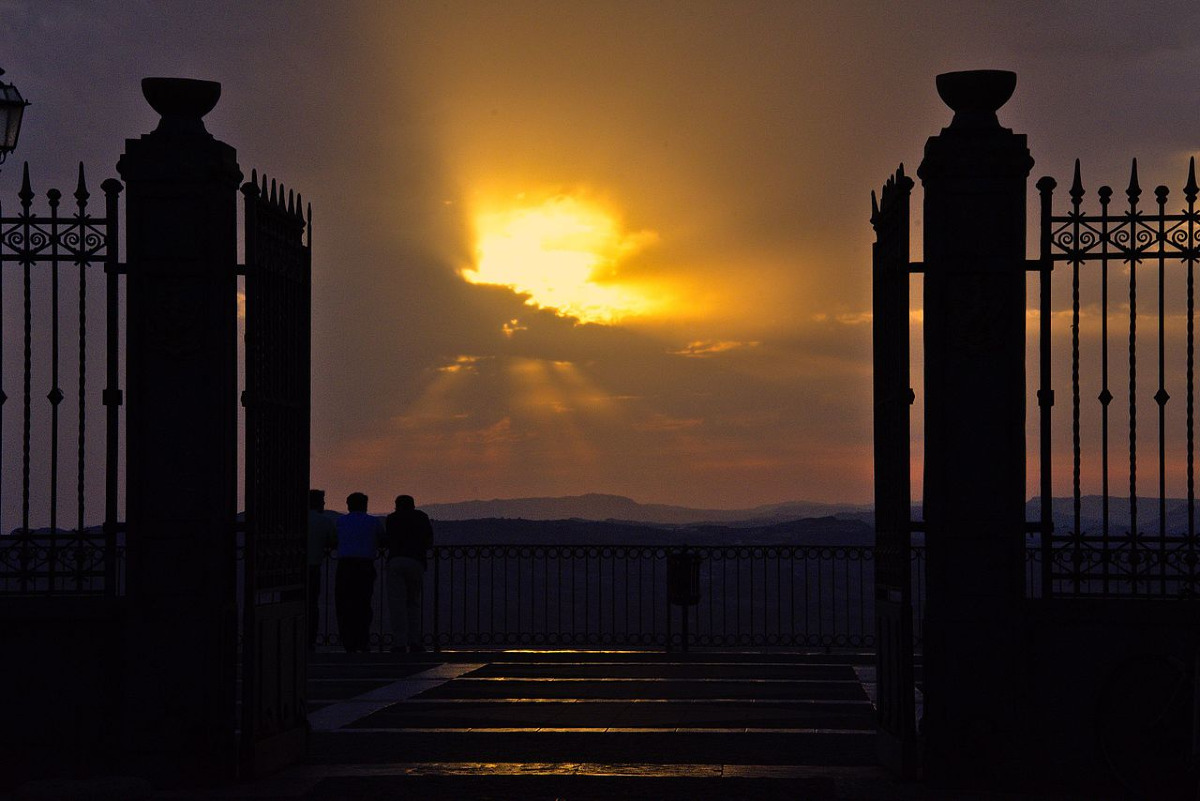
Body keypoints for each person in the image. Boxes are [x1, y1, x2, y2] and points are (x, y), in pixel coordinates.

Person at [334, 492, 384, 653]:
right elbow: (383, 539)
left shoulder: (340, 521)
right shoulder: (373, 522)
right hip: (365, 566)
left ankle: (348, 641)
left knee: (345, 604)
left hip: (345, 565)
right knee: (363, 604)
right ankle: (363, 640)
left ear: (349, 505)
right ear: (365, 505)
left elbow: (334, 539)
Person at [384, 494, 434, 654]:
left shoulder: (392, 519)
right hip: (416, 561)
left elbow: (388, 539)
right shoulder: (421, 517)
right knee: (413, 603)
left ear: (397, 505)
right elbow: (429, 540)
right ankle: (415, 642)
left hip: (396, 560)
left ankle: (399, 642)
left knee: (397, 604)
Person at [307, 489, 338, 650]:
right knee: (312, 604)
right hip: (314, 566)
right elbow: (333, 541)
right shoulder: (324, 521)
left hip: (293, 571)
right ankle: (310, 638)